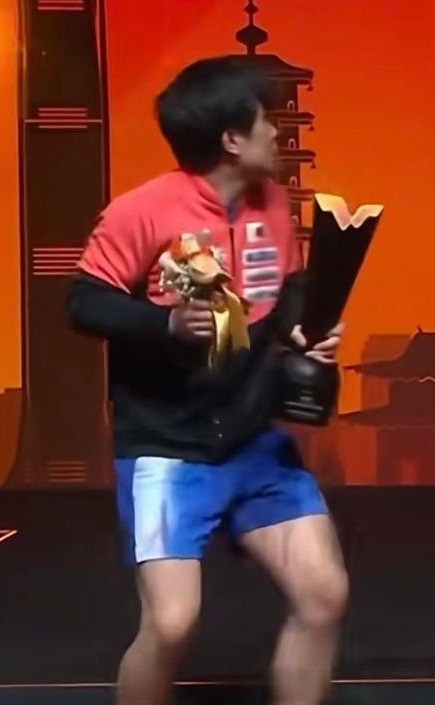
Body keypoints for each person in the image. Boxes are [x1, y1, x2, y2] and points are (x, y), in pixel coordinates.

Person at [67, 56, 348, 705]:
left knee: (323, 594)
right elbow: (85, 303)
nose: (277, 132)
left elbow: (287, 293)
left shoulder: (274, 203)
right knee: (171, 623)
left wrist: (305, 331)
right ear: (231, 138)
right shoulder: (141, 210)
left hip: (255, 442)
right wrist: (167, 324)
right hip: (167, 448)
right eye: (266, 120)